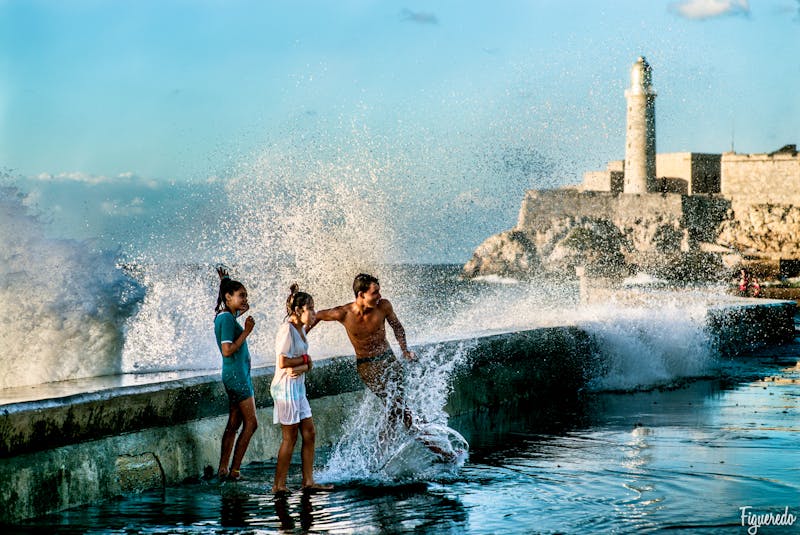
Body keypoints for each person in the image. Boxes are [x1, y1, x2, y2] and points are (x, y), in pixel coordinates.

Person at [310, 273, 417, 433]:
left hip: (389, 361)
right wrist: (298, 337)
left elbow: (397, 327)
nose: (379, 296)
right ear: (361, 294)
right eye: (375, 293)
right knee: (399, 408)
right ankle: (441, 450)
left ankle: (382, 450)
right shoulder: (344, 313)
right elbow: (317, 315)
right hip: (368, 367)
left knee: (396, 409)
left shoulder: (383, 306)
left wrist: (405, 350)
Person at [271, 284, 333, 494]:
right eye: (311, 309)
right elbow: (282, 362)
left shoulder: (300, 329)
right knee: (290, 437)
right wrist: (305, 360)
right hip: (285, 388)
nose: (315, 313)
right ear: (298, 311)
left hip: (297, 386)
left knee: (310, 432)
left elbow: (305, 364)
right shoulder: (287, 329)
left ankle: (308, 481)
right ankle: (278, 485)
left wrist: (305, 364)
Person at [213, 267, 257, 481]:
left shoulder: (227, 315)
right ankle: (235, 471)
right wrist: (247, 332)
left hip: (236, 374)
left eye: (245, 295)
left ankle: (223, 469)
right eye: (240, 295)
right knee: (251, 423)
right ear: (228, 297)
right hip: (237, 377)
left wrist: (226, 281)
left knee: (234, 423)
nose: (245, 300)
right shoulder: (227, 320)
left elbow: (242, 307)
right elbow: (227, 350)